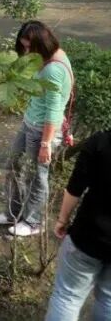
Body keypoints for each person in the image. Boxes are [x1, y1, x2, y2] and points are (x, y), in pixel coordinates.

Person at [0, 21, 73, 237]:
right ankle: (13, 212)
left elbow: (54, 109)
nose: (26, 51)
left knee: (37, 176)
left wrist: (46, 143)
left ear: (42, 44)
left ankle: (33, 222)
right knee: (15, 165)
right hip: (30, 123)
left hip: (42, 130)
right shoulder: (47, 58)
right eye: (24, 46)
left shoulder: (53, 69)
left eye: (29, 47)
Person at [45, 129, 111, 320]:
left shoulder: (101, 141)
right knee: (108, 299)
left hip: (89, 236)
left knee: (68, 296)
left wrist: (62, 219)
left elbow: (75, 187)